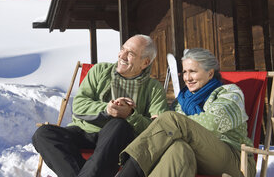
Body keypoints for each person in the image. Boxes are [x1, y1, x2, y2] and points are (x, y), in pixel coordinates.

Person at [32, 34, 168, 177]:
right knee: (43, 134)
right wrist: (106, 109)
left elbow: (158, 128)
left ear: (145, 63)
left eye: (131, 54)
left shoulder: (153, 88)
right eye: (123, 49)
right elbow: (78, 105)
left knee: (119, 125)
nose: (122, 56)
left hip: (118, 141)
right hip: (85, 132)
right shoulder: (99, 71)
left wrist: (130, 115)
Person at [117, 48, 256, 177]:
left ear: (210, 73)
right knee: (179, 149)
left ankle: (129, 172)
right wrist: (132, 115)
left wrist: (174, 122)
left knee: (172, 120)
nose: (187, 78)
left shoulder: (229, 93)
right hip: (199, 158)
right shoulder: (181, 102)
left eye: (193, 71)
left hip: (235, 160)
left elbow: (214, 123)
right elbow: (162, 131)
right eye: (184, 72)